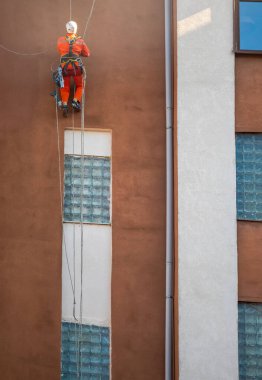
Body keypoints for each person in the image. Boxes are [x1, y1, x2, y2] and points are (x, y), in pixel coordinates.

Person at [57, 21, 90, 116]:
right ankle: (75, 101)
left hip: (64, 68)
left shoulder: (60, 40)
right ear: (75, 29)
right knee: (80, 85)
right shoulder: (80, 41)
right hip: (76, 68)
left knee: (65, 87)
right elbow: (87, 54)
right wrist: (79, 52)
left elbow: (59, 50)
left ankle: (64, 104)